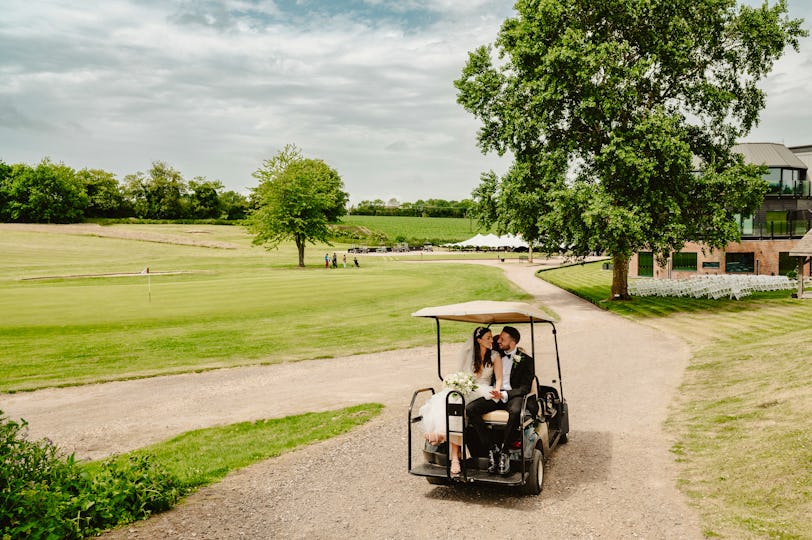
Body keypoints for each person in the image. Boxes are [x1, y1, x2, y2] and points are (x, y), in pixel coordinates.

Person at [419, 327, 502, 476]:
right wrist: (458, 383)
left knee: (459, 404)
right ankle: (454, 456)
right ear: (479, 340)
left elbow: (499, 378)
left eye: (491, 337)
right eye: (488, 338)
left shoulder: (495, 356)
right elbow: (461, 374)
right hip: (469, 388)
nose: (492, 340)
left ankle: (442, 437)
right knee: (452, 401)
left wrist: (498, 390)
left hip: (484, 390)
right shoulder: (469, 355)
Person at [466, 326, 536, 475]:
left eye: (502, 339)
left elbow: (524, 388)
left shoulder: (526, 361)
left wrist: (504, 395)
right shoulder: (494, 355)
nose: (498, 340)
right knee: (471, 409)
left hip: (513, 396)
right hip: (494, 393)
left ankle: (505, 450)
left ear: (512, 342)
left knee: (516, 411)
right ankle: (491, 447)